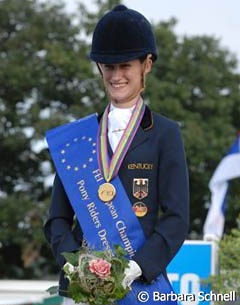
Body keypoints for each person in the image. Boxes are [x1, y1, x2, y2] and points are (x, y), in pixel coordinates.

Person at [44, 4, 189, 305]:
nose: (116, 76)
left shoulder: (165, 133)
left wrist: (137, 267)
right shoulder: (78, 139)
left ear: (146, 64)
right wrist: (73, 264)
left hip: (142, 286)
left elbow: (176, 218)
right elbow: (57, 218)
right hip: (83, 289)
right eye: (109, 67)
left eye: (125, 66)